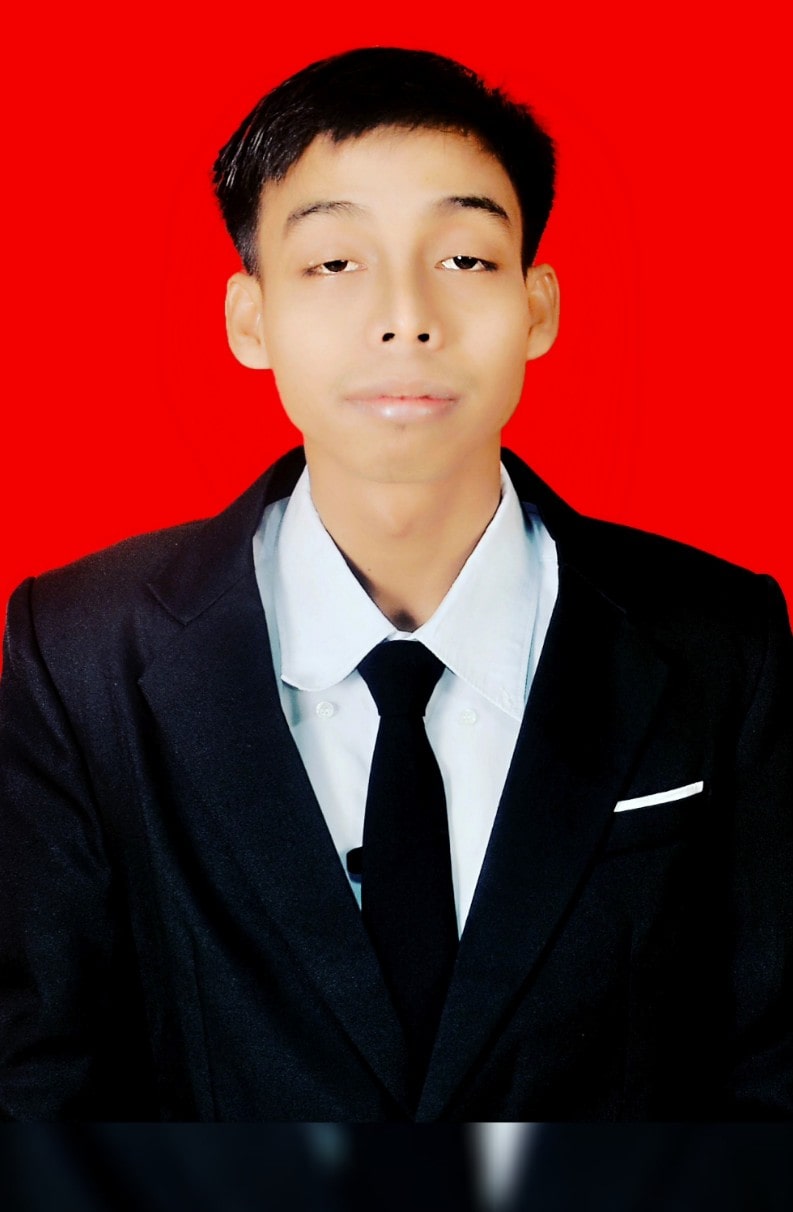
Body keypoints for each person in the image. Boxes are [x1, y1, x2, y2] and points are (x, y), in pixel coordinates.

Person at [1, 46, 791, 1122]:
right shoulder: (79, 653)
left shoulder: (719, 640)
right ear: (248, 319)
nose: (405, 316)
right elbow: (39, 1085)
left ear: (538, 307)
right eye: (335, 263)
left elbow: (769, 1066)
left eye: (464, 258)